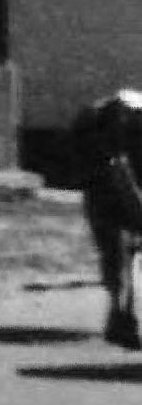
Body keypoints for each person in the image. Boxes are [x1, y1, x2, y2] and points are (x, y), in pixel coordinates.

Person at [74, 89, 142, 349]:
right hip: (106, 189)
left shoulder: (96, 119)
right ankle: (124, 317)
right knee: (123, 252)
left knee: (118, 252)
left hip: (101, 190)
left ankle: (121, 314)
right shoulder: (112, 127)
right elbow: (119, 169)